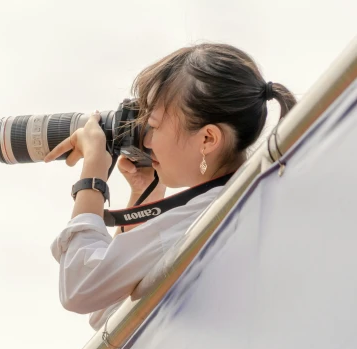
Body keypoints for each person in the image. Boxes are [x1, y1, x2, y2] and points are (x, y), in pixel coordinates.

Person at [45, 43, 297, 330]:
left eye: (153, 124)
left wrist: (93, 170)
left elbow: (80, 289)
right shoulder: (235, 201)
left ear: (207, 140)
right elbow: (112, 312)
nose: (147, 140)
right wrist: (144, 192)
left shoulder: (202, 217)